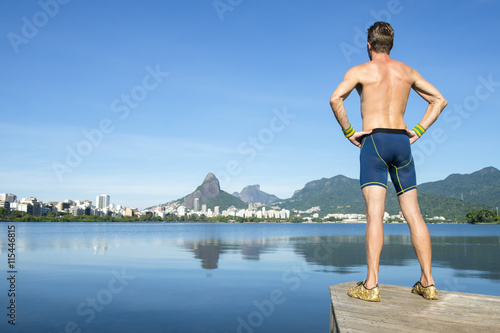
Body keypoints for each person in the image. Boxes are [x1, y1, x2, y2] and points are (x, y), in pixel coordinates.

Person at [329, 21, 447, 302]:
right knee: (414, 214)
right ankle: (428, 283)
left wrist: (349, 132)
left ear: (368, 45)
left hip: (375, 141)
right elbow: (439, 100)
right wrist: (418, 130)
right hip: (402, 143)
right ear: (390, 46)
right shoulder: (406, 71)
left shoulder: (360, 71)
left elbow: (336, 99)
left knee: (374, 215)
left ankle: (371, 286)